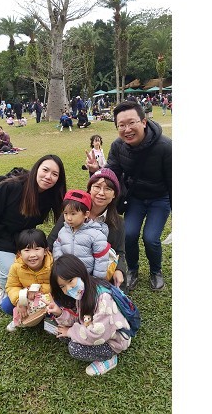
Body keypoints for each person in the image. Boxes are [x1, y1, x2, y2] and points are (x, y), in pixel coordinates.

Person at [85, 100, 172, 291]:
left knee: (151, 238)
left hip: (159, 199)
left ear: (144, 122)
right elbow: (111, 173)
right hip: (135, 198)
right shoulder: (118, 146)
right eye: (121, 125)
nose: (127, 129)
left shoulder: (166, 147)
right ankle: (132, 269)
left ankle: (156, 271)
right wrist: (96, 171)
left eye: (131, 122)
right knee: (129, 234)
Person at [0, 154, 67, 314]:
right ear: (36, 169)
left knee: (30, 261)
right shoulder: (12, 186)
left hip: (14, 237)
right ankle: (2, 291)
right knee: (11, 266)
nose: (48, 176)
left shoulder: (49, 196)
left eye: (55, 174)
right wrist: (13, 244)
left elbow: (65, 212)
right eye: (45, 170)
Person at [46, 254, 132, 376]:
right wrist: (59, 313)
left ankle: (110, 357)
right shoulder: (83, 292)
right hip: (93, 328)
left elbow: (97, 334)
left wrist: (70, 332)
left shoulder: (103, 298)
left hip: (113, 340)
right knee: (58, 330)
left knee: (75, 349)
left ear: (80, 272)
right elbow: (82, 319)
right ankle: (79, 336)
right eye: (62, 286)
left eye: (70, 281)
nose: (68, 288)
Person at [48, 167, 127, 292]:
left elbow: (119, 252)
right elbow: (52, 241)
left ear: (114, 195)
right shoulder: (72, 212)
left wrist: (119, 269)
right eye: (97, 187)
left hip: (98, 273)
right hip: (68, 273)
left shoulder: (117, 222)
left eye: (108, 189)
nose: (101, 193)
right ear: (89, 189)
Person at [52, 189, 110, 280]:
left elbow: (101, 260)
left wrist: (97, 280)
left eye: (73, 214)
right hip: (66, 275)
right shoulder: (63, 231)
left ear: (86, 214)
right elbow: (57, 248)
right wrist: (60, 267)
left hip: (87, 277)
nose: (68, 218)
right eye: (66, 213)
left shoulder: (96, 235)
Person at [4, 229, 53, 332]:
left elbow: (57, 285)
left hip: (47, 297)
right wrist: (20, 300)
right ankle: (21, 317)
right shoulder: (16, 267)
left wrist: (38, 289)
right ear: (19, 253)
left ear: (45, 251)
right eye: (27, 250)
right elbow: (12, 286)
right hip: (26, 297)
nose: (32, 255)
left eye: (37, 249)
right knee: (7, 305)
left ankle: (48, 319)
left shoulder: (52, 266)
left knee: (56, 306)